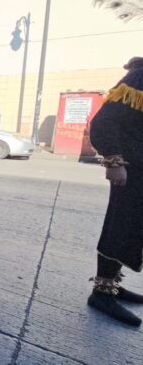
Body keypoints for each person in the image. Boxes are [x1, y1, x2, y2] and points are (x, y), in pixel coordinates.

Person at [86, 56, 143, 327]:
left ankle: (112, 286)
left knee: (133, 230)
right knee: (120, 228)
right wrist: (114, 161)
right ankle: (101, 292)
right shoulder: (138, 78)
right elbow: (102, 122)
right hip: (131, 170)